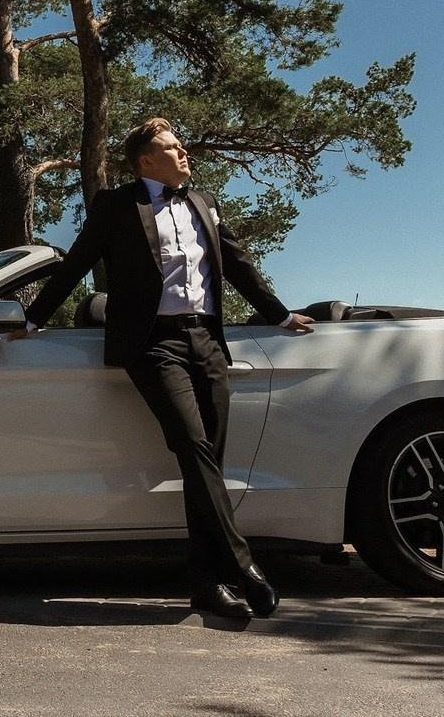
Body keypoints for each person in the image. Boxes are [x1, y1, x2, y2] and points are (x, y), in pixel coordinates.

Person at [22, 118, 315, 621]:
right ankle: (243, 565)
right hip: (154, 344)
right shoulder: (117, 206)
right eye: (172, 147)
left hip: (208, 341)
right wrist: (31, 319)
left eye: (182, 145)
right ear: (145, 161)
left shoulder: (204, 201)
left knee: (207, 464)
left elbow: (237, 264)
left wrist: (281, 316)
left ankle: (207, 586)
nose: (184, 153)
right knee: (193, 445)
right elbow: (77, 262)